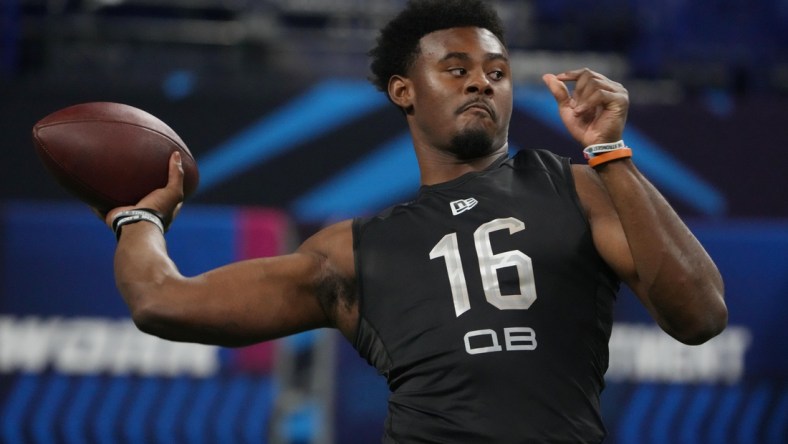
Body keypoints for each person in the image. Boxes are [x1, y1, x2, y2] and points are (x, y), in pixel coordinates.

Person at [101, 0, 727, 442]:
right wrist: (139, 217)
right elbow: (162, 302)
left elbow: (700, 316)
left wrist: (611, 154)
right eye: (456, 69)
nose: (481, 82)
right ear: (404, 90)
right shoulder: (353, 250)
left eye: (497, 72)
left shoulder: (578, 186)